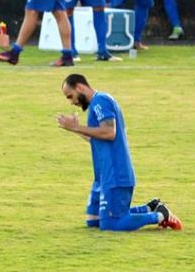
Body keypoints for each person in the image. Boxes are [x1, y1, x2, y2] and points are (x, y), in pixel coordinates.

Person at [56, 74, 182, 231]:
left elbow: (109, 132)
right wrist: (75, 130)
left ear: (80, 87)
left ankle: (161, 215)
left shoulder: (101, 101)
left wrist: (76, 127)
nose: (72, 102)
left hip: (115, 173)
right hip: (103, 176)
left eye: (70, 96)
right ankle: (151, 207)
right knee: (93, 220)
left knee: (111, 224)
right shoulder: (98, 103)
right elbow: (98, 138)